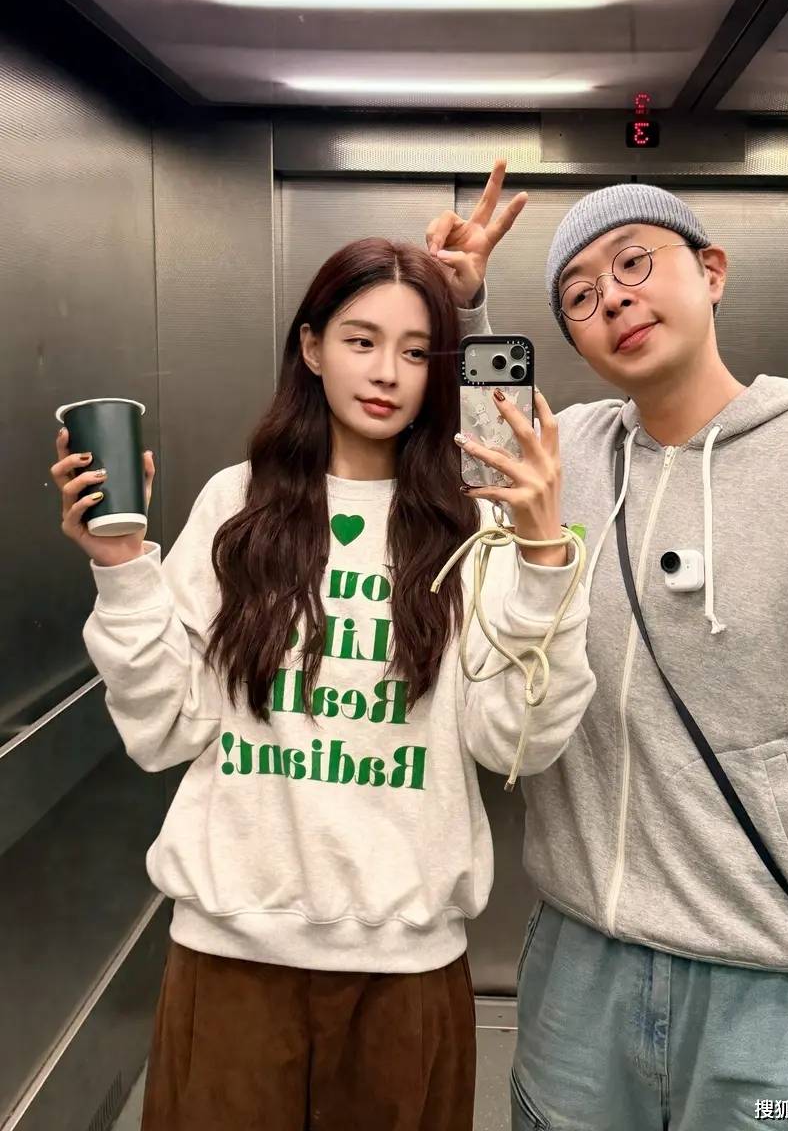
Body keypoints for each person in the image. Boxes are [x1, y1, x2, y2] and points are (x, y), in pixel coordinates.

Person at [427, 166, 788, 1130]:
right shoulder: (574, 454)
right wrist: (467, 309)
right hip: (581, 961)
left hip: (781, 979)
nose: (614, 299)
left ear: (712, 271)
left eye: (634, 263)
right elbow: (487, 446)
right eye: (580, 296)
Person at [50, 237, 596, 1131]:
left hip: (406, 974)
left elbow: (516, 745)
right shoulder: (238, 504)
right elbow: (164, 730)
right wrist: (120, 568)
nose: (386, 373)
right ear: (311, 347)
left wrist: (541, 561)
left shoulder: (471, 527)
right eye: (360, 340)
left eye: (415, 351)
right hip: (231, 962)